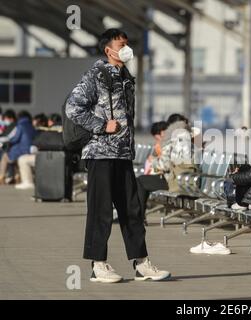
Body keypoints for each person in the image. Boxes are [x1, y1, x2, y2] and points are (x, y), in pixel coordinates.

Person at [65, 28, 170, 283]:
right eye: (121, 44)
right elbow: (72, 107)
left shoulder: (126, 77)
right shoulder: (96, 75)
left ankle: (141, 263)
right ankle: (97, 265)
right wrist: (102, 126)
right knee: (101, 210)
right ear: (108, 50)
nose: (126, 48)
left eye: (127, 43)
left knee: (132, 209)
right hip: (100, 153)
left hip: (122, 154)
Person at [154, 113, 197, 192]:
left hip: (176, 180)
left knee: (140, 181)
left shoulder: (174, 139)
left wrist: (154, 163)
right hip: (190, 178)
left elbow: (164, 165)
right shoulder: (191, 136)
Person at [136, 121, 169, 217]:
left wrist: (154, 160)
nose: (157, 140)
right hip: (168, 177)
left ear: (162, 132)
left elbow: (165, 165)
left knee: (140, 181)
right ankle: (138, 215)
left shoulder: (167, 144)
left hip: (170, 179)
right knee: (140, 180)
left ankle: (138, 216)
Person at [0, 111, 36, 185]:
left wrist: (5, 141)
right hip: (30, 150)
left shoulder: (20, 125)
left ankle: (1, 177)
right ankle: (17, 176)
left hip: (22, 150)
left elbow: (14, 138)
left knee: (5, 156)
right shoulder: (32, 126)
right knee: (15, 157)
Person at [0, 109, 17, 184]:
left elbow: (9, 138)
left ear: (11, 118)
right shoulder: (10, 126)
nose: (4, 120)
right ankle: (6, 176)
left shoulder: (14, 126)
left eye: (6, 118)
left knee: (4, 153)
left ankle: (6, 176)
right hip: (9, 147)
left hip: (12, 148)